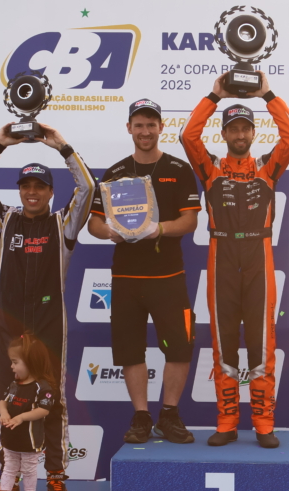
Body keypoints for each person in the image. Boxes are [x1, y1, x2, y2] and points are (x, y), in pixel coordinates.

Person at [0, 122, 95, 491]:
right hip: (10, 325)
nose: (32, 192)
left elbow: (87, 188)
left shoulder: (63, 224)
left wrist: (62, 146)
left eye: (40, 186)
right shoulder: (4, 221)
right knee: (9, 397)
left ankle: (54, 474)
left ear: (51, 192)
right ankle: (12, 475)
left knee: (52, 399)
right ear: (20, 190)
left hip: (49, 323)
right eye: (26, 186)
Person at [179, 72, 289, 448]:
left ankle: (263, 423)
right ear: (224, 134)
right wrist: (214, 96)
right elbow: (187, 137)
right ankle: (227, 421)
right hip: (222, 257)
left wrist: (268, 95)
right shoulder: (211, 168)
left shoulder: (266, 167)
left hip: (258, 257)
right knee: (224, 344)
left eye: (245, 128)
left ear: (252, 132)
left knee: (262, 345)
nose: (240, 134)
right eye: (233, 129)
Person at [88, 99, 201, 444]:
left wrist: (158, 229)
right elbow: (94, 224)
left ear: (161, 128)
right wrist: (112, 231)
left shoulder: (179, 169)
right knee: (130, 350)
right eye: (139, 124)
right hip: (126, 278)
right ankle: (141, 416)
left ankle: (169, 414)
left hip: (169, 277)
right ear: (129, 128)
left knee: (180, 347)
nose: (145, 131)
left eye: (151, 124)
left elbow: (190, 220)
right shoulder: (114, 173)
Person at [0, 334, 57, 491]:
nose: (11, 366)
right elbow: (3, 401)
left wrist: (21, 418)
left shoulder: (42, 387)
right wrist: (4, 413)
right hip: (10, 438)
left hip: (30, 441)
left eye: (15, 362)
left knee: (29, 471)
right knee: (9, 468)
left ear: (31, 362)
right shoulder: (14, 384)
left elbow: (43, 410)